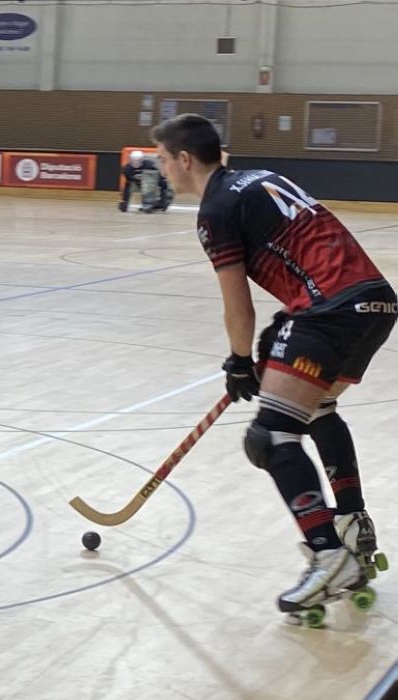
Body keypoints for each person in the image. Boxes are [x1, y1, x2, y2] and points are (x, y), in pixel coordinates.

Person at [151, 113, 395, 617]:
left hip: (329, 311)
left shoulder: (215, 210)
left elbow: (238, 308)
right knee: (317, 409)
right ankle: (351, 521)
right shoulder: (260, 177)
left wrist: (240, 361)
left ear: (185, 159)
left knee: (270, 436)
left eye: (162, 159)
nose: (160, 169)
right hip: (374, 302)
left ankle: (329, 556)